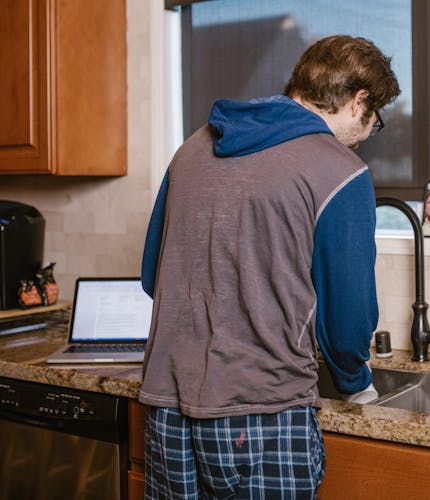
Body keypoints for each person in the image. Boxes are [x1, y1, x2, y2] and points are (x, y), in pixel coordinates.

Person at [138, 35, 400, 499]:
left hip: (167, 408)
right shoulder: (340, 170)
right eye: (374, 123)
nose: (366, 138)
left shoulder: (192, 149)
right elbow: (346, 323)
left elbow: (151, 275)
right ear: (360, 101)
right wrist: (357, 384)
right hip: (263, 413)